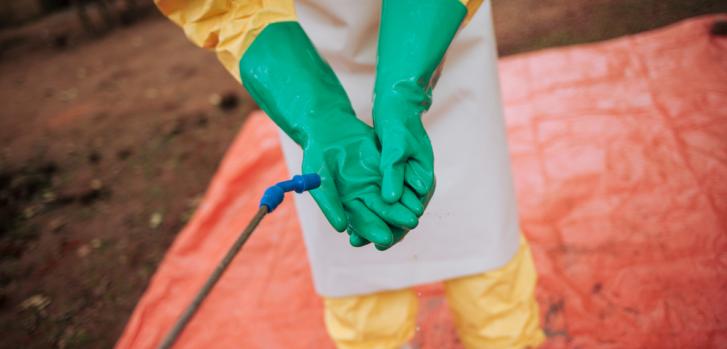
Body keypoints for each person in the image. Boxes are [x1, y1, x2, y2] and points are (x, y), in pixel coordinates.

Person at [155, 0, 545, 347]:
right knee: (362, 294)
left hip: (441, 37)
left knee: (483, 256)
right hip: (301, 59)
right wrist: (316, 113)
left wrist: (404, 88)